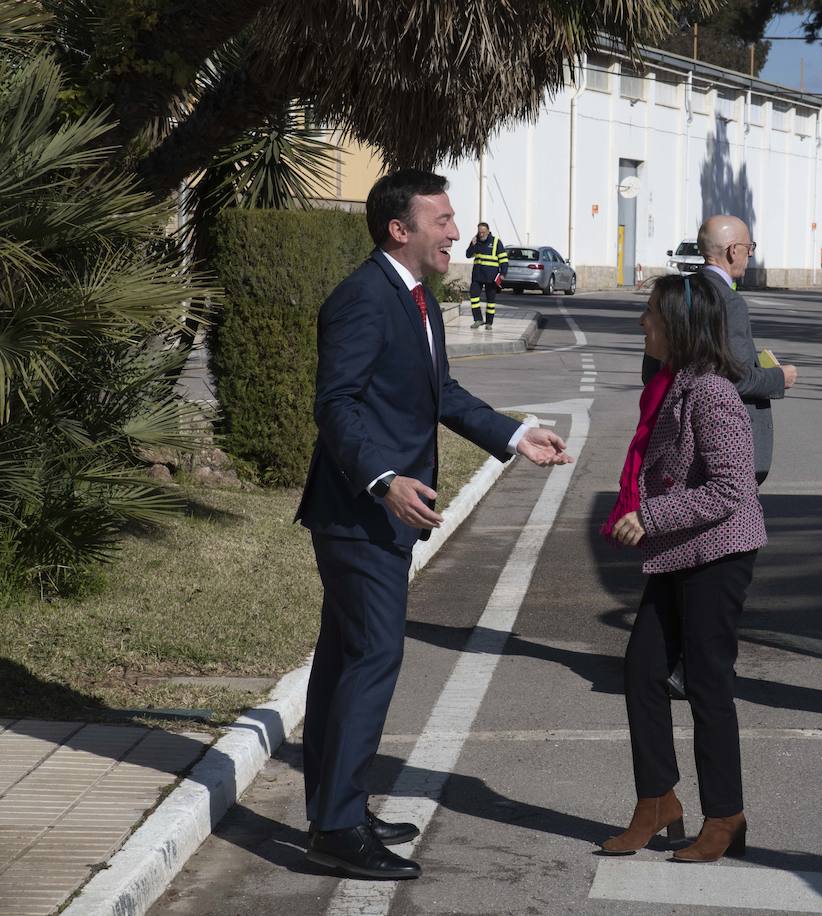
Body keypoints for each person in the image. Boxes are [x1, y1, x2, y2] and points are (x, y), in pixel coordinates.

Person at [295, 170, 573, 880]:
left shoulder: (413, 297)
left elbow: (440, 392)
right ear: (401, 229)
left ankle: (338, 809)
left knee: (343, 661)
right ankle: (335, 829)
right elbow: (337, 406)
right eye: (443, 220)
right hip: (360, 513)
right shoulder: (363, 299)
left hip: (376, 514)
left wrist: (513, 437)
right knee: (373, 659)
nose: (457, 231)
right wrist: (384, 481)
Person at [601, 273, 766, 863]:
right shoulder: (675, 382)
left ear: (677, 325)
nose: (642, 322)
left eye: (649, 313)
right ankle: (657, 800)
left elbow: (731, 489)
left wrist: (652, 515)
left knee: (707, 685)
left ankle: (725, 815)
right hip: (680, 550)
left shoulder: (713, 392)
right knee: (643, 671)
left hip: (719, 553)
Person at [643, 214, 797, 700]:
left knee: (693, 553)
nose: (750, 256)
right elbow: (731, 377)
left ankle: (680, 660)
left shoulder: (681, 294)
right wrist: (780, 378)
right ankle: (696, 666)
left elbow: (655, 371)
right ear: (732, 252)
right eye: (749, 248)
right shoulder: (725, 299)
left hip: (679, 438)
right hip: (725, 444)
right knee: (716, 554)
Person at [465, 221, 507, 330]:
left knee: (490, 301)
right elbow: (468, 255)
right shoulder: (475, 241)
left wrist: (503, 273)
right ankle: (478, 319)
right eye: (480, 232)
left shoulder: (496, 242)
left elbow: (503, 259)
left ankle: (489, 323)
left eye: (483, 232)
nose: (481, 234)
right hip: (477, 276)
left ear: (488, 231)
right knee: (473, 297)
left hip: (491, 277)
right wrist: (472, 245)